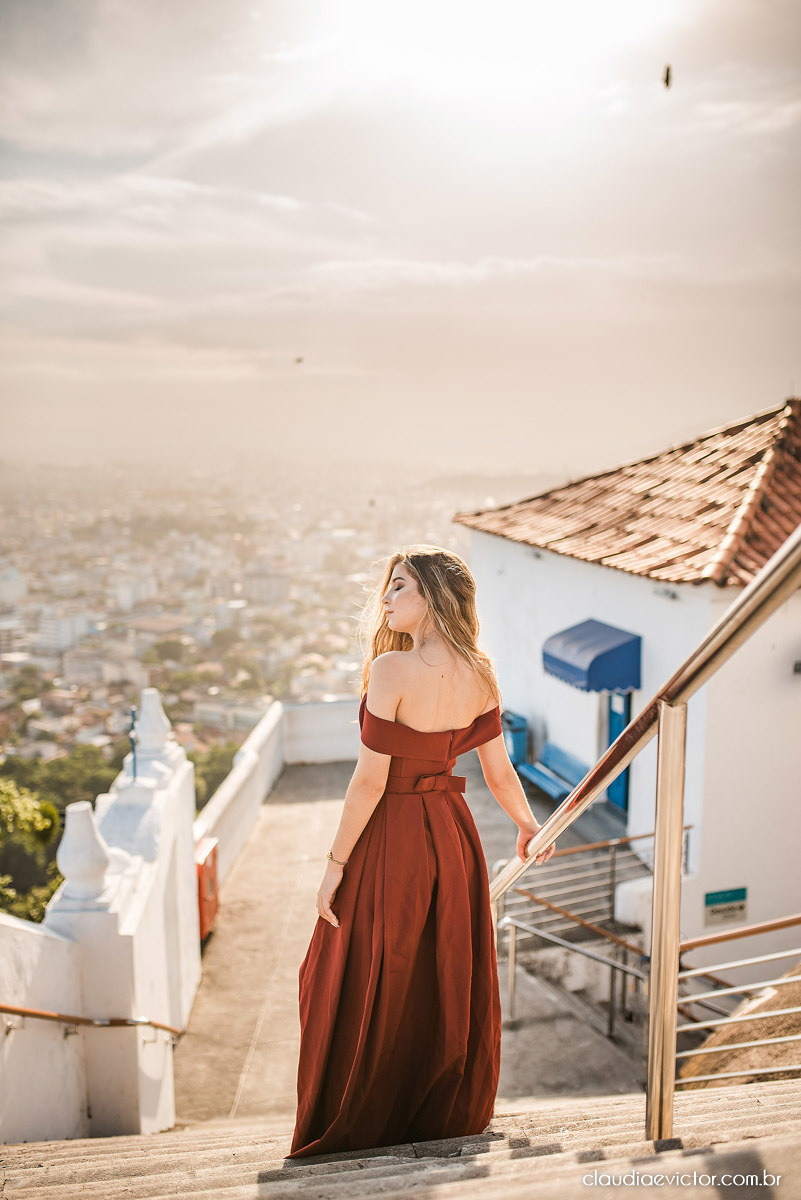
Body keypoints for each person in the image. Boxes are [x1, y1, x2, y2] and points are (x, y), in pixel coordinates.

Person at [286, 544, 556, 1160]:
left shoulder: (391, 672)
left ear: (432, 597)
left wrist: (333, 866)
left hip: (393, 834)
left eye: (399, 586)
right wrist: (526, 825)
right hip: (453, 837)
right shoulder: (480, 671)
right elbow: (499, 771)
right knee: (439, 971)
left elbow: (369, 783)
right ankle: (433, 1112)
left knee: (357, 970)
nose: (385, 599)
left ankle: (362, 1113)